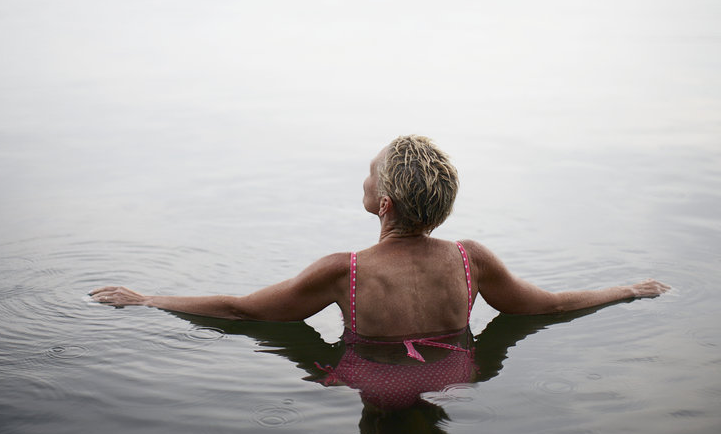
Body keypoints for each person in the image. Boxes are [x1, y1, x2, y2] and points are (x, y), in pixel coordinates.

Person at [91, 135, 669, 329]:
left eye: (368, 174)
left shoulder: (344, 270)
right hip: (456, 373)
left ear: (383, 204)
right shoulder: (473, 259)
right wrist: (624, 289)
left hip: (368, 373)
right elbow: (545, 306)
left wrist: (148, 299)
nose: (361, 178)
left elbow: (243, 310)